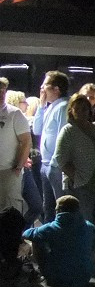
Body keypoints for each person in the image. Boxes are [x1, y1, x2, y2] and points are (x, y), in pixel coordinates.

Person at [52, 94, 95, 260]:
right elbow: (60, 158)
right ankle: (83, 260)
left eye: (85, 108)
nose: (81, 111)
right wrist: (75, 176)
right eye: (77, 108)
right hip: (84, 185)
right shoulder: (68, 130)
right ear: (71, 110)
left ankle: (92, 260)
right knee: (86, 225)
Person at [23, 194, 95, 287]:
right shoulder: (89, 227)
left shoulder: (51, 228)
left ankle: (42, 272)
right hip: (84, 277)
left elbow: (26, 234)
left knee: (37, 240)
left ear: (58, 211)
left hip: (58, 279)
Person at [34, 70, 71, 222]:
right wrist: (41, 106)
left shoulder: (63, 107)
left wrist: (56, 164)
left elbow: (63, 138)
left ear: (56, 89)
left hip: (55, 166)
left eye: (45, 85)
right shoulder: (50, 106)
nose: (41, 88)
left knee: (59, 206)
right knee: (48, 207)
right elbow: (36, 129)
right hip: (46, 164)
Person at [0, 76, 31, 217]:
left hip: (8, 171)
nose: (1, 95)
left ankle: (11, 238)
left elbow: (26, 141)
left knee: (9, 211)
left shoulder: (14, 114)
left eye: (3, 91)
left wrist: (18, 167)